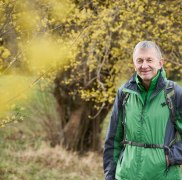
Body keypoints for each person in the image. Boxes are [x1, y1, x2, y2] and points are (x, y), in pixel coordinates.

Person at [103, 41, 182, 180]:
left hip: (163, 175)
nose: (144, 65)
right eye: (139, 61)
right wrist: (110, 176)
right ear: (134, 64)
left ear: (160, 63)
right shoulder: (124, 93)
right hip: (127, 175)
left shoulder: (174, 93)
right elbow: (113, 140)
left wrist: (171, 157)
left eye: (149, 60)